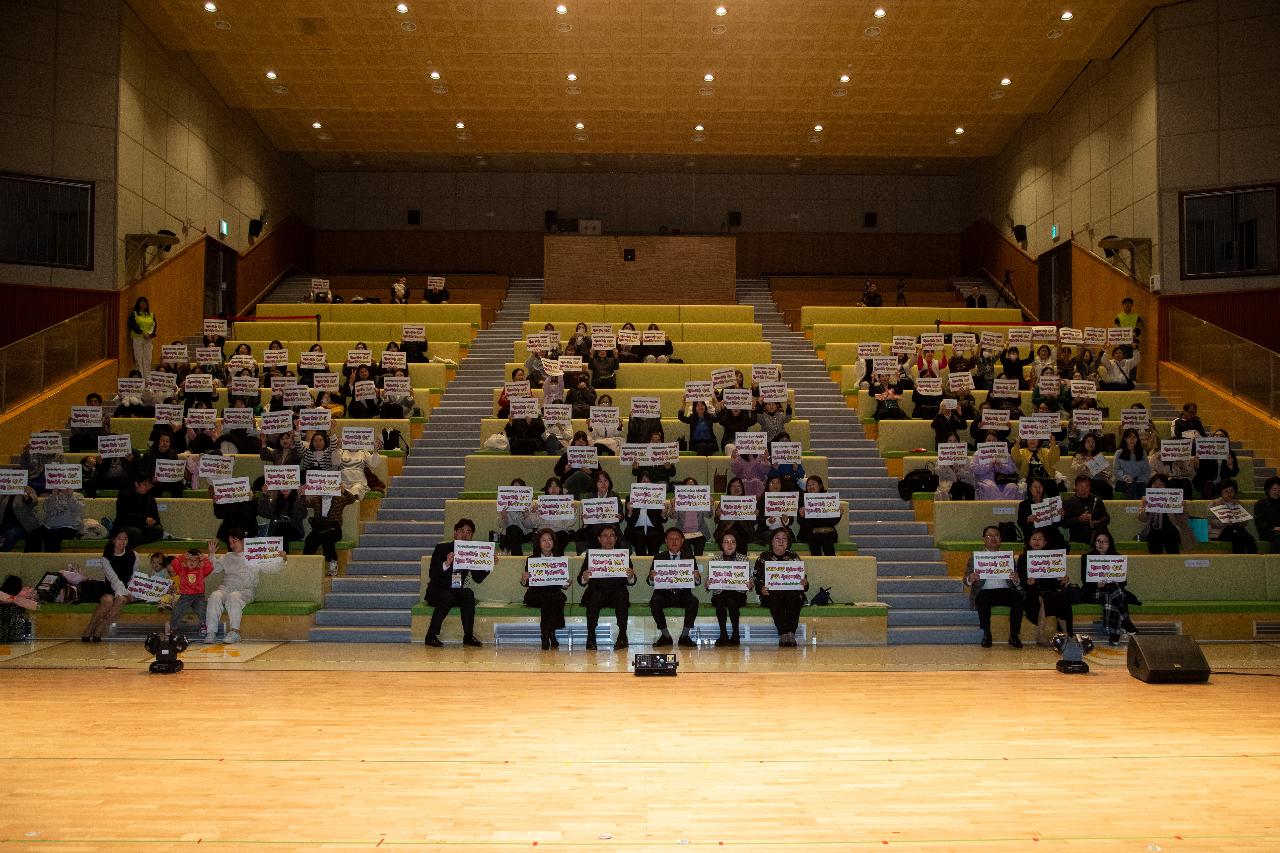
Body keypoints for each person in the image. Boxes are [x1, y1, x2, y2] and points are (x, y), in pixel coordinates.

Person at [202, 527, 286, 643]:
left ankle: (235, 632)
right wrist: (211, 554)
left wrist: (282, 558)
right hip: (226, 588)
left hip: (245, 590)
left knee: (234, 596)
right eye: (230, 543)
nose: (231, 545)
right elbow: (214, 568)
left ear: (243, 541)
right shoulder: (228, 556)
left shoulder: (255, 555)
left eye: (234, 541)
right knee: (215, 595)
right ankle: (211, 632)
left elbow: (272, 568)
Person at [423, 518, 489, 647]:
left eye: (468, 532)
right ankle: (430, 635)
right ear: (455, 533)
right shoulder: (442, 548)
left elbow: (478, 578)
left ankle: (468, 637)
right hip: (437, 591)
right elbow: (432, 574)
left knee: (468, 593)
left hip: (455, 590)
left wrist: (488, 564)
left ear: (472, 536)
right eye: (461, 531)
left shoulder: (471, 552)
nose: (464, 535)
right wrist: (446, 563)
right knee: (447, 596)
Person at [577, 523, 636, 650]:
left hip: (617, 592)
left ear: (616, 538)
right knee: (595, 596)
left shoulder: (622, 556)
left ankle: (622, 635)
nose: (608, 539)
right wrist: (584, 577)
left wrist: (631, 576)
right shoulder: (592, 556)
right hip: (597, 592)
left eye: (612, 536)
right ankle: (591, 636)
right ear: (599, 539)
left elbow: (631, 582)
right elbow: (580, 580)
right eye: (604, 536)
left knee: (620, 595)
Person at [963, 525, 1024, 648]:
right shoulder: (975, 558)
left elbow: (1016, 583)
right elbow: (965, 581)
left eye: (996, 535)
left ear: (1001, 538)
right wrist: (971, 578)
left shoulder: (1008, 558)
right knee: (983, 599)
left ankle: (1014, 635)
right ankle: (986, 634)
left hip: (1005, 590)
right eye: (989, 536)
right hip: (985, 591)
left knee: (1018, 598)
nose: (993, 538)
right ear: (984, 539)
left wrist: (1016, 579)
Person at [81, 528, 145, 642]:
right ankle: (90, 626)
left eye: (125, 539)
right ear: (113, 540)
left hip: (127, 589)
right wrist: (119, 592)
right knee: (108, 601)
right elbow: (113, 579)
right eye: (119, 538)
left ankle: (100, 628)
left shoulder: (134, 555)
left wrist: (130, 591)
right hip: (110, 586)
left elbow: (135, 575)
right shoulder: (106, 558)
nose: (122, 541)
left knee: (120, 599)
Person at [1081, 530, 1139, 646]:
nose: (1101, 544)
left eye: (1105, 542)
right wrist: (1096, 584)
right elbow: (1084, 579)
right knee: (1112, 591)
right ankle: (1124, 624)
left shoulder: (1118, 557)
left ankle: (1115, 635)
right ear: (1094, 542)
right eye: (1098, 541)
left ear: (1110, 544)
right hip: (1093, 592)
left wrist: (1113, 581)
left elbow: (1123, 581)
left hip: (1111, 592)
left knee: (1110, 590)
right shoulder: (1087, 557)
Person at [646, 527, 700, 648]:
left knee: (693, 601)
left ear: (682, 541)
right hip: (663, 594)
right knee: (654, 601)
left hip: (683, 594)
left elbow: (696, 583)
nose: (674, 542)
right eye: (670, 539)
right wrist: (651, 577)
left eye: (677, 539)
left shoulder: (689, 558)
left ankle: (684, 636)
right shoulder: (658, 558)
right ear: (665, 541)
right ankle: (665, 636)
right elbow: (650, 582)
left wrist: (696, 578)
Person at [753, 527, 807, 647]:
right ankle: (783, 633)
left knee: (795, 598)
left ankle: (791, 633)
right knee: (775, 597)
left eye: (784, 539)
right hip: (771, 594)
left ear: (788, 542)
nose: (781, 541)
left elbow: (803, 578)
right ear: (771, 541)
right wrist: (761, 589)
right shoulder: (763, 557)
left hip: (791, 593)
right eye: (777, 538)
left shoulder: (793, 556)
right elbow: (756, 578)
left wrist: (805, 583)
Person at [1016, 529, 1074, 641]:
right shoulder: (1023, 558)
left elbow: (1056, 582)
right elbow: (1022, 582)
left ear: (1044, 542)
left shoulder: (1052, 557)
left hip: (1050, 590)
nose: (1037, 541)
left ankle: (1068, 634)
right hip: (1031, 592)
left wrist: (1063, 580)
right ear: (1029, 542)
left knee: (1062, 598)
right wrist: (1030, 583)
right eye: (1034, 539)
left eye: (1040, 539)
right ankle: (1041, 636)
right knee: (1043, 599)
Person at [521, 528, 569, 649]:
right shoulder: (532, 559)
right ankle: (550, 634)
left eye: (550, 540)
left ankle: (547, 634)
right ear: (538, 543)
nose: (547, 543)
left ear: (554, 542)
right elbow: (528, 583)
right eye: (544, 540)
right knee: (549, 598)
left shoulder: (560, 559)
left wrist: (566, 583)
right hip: (535, 594)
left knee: (553, 597)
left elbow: (562, 583)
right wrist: (524, 579)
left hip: (553, 592)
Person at [302, 485, 360, 576]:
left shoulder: (339, 499)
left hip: (334, 529)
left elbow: (352, 499)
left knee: (328, 539)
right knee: (309, 540)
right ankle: (307, 565)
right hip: (319, 528)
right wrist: (303, 494)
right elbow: (306, 504)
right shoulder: (316, 499)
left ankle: (332, 564)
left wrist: (344, 491)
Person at [706, 529, 749, 646]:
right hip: (720, 594)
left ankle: (735, 634)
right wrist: (708, 583)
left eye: (733, 542)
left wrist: (750, 584)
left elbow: (749, 581)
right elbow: (710, 581)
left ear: (737, 544)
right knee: (721, 600)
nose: (730, 545)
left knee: (731, 599)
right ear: (721, 544)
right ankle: (723, 634)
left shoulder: (743, 559)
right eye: (726, 542)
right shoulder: (715, 560)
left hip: (738, 594)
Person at [1137, 473, 1194, 554]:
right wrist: (1147, 509)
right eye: (1154, 484)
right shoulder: (1145, 499)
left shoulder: (1174, 497)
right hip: (1154, 530)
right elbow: (1141, 518)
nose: (1157, 486)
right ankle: (1157, 562)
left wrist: (1180, 510)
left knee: (1169, 535)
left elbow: (1185, 518)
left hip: (1172, 529)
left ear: (1166, 486)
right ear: (1150, 485)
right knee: (1154, 537)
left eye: (1160, 484)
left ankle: (1174, 561)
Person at [168, 543, 215, 638]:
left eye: (195, 560)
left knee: (202, 609)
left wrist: (204, 558)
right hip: (185, 596)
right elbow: (174, 563)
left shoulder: (201, 569)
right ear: (185, 560)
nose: (192, 562)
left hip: (199, 596)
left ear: (199, 562)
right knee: (177, 610)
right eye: (189, 559)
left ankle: (203, 626)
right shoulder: (181, 568)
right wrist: (182, 557)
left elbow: (210, 567)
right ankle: (173, 628)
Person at [1015, 477, 1067, 550]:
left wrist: (1061, 516)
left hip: (1050, 534)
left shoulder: (1050, 502)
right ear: (1030, 489)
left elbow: (1058, 524)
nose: (1038, 489)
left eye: (1040, 487)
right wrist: (1028, 519)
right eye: (1035, 487)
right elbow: (1020, 522)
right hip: (1033, 534)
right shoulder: (1024, 504)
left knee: (1061, 543)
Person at [1208, 479, 1257, 553]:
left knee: (1245, 536)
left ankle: (1252, 558)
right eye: (1226, 491)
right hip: (1220, 532)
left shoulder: (1239, 504)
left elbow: (1245, 522)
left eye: (1231, 491)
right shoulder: (1214, 503)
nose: (1229, 494)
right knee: (1239, 537)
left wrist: (1240, 520)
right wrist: (1224, 522)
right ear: (1221, 492)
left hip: (1237, 530)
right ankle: (1242, 558)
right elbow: (1211, 520)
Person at [114, 475, 164, 544]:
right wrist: (144, 519)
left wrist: (154, 522)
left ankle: (132, 543)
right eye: (144, 485)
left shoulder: (150, 499)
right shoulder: (125, 496)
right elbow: (124, 516)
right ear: (136, 484)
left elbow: (156, 517)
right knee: (135, 532)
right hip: (126, 527)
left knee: (158, 530)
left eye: (149, 485)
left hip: (144, 528)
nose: (147, 488)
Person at [1061, 475, 1110, 545]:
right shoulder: (1069, 502)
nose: (1084, 489)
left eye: (1086, 486)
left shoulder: (1097, 499)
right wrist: (1079, 519)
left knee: (1101, 531)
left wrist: (1096, 522)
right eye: (1081, 486)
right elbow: (1064, 524)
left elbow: (1107, 518)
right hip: (1078, 535)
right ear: (1075, 487)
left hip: (1097, 533)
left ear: (1090, 487)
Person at [797, 474, 838, 556]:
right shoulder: (802, 500)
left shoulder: (829, 499)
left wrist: (839, 513)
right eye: (808, 485)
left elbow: (833, 522)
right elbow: (800, 522)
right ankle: (816, 565)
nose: (811, 487)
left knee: (826, 537)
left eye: (813, 484)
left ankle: (832, 564)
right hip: (809, 532)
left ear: (820, 486)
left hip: (827, 532)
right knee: (813, 537)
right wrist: (802, 515)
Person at [1193, 429, 1240, 499]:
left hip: (1222, 482)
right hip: (1206, 481)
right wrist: (1197, 465)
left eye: (1222, 436)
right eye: (1217, 435)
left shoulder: (1230, 453)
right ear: (1212, 437)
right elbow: (1201, 472)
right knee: (1208, 485)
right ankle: (1209, 508)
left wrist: (1230, 466)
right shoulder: (1205, 451)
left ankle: (1230, 507)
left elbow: (1234, 473)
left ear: (1226, 439)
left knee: (1232, 483)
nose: (1219, 437)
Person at [258, 485, 307, 552]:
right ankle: (283, 557)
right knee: (281, 533)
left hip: (294, 530)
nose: (285, 488)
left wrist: (299, 497)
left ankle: (285, 557)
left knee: (283, 534)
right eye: (282, 486)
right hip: (277, 531)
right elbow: (263, 513)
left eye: (288, 486)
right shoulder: (275, 501)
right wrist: (264, 495)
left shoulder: (297, 500)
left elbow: (302, 515)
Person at [499, 477, 538, 555]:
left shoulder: (532, 504)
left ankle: (505, 548)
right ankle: (517, 555)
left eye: (519, 488)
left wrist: (526, 516)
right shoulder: (505, 503)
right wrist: (504, 517)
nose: (516, 491)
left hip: (525, 534)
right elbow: (501, 526)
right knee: (513, 530)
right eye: (514, 489)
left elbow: (531, 526)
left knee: (513, 530)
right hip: (509, 534)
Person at [1070, 433, 1114, 499]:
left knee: (1107, 487)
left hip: (1099, 481)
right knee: (1096, 484)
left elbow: (1107, 470)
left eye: (1093, 442)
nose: (1091, 444)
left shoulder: (1099, 456)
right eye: (1088, 442)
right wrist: (1086, 464)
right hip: (1084, 481)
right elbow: (1074, 469)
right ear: (1084, 443)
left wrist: (1107, 474)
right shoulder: (1078, 456)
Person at [1113, 428, 1151, 500]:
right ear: (1125, 439)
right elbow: (1116, 471)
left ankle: (1143, 509)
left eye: (1134, 437)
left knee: (1142, 487)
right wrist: (1125, 477)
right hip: (1123, 481)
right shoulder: (1119, 453)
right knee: (1131, 486)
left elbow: (1147, 471)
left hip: (1139, 481)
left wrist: (1137, 479)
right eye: (1129, 437)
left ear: (1137, 439)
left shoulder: (1142, 452)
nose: (1132, 439)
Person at [127, 297, 157, 373]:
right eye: (141, 302)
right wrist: (142, 332)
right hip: (138, 338)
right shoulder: (134, 314)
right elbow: (133, 325)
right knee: (138, 358)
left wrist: (149, 334)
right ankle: (140, 379)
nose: (143, 304)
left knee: (148, 358)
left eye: (145, 302)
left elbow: (154, 325)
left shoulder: (151, 315)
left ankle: (147, 379)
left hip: (148, 339)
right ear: (138, 303)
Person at [1254, 476, 1280, 554]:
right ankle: (1273, 561)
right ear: (1268, 490)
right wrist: (1274, 528)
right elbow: (1259, 523)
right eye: (1274, 490)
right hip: (1267, 532)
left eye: (1279, 490)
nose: (1277, 492)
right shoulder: (1260, 504)